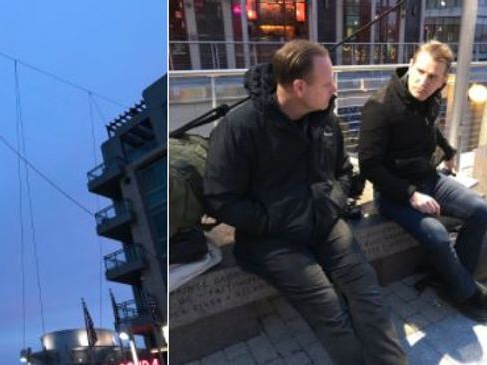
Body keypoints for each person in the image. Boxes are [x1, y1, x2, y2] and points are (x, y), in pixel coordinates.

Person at [204, 40, 406, 365]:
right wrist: (273, 220)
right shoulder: (240, 128)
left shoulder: (325, 119)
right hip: (271, 237)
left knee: (365, 289)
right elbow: (220, 199)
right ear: (299, 86)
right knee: (328, 307)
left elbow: (343, 171)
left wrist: (333, 202)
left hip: (324, 222)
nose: (335, 89)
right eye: (327, 83)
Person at [359, 40, 487, 321]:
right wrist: (411, 194)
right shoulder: (379, 106)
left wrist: (449, 150)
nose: (423, 82)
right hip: (394, 193)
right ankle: (465, 293)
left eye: (433, 77)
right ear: (411, 64)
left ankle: (455, 281)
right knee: (438, 235)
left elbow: (430, 129)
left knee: (480, 210)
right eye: (420, 72)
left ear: (443, 81)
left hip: (430, 178)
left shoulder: (432, 97)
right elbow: (369, 165)